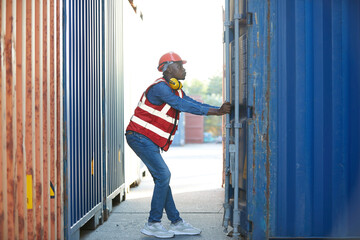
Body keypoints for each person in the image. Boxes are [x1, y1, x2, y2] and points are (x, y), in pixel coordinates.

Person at [125, 52, 231, 239]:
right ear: (167, 68)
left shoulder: (177, 91)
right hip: (139, 137)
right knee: (164, 175)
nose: (184, 69)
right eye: (180, 66)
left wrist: (218, 109)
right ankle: (153, 223)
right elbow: (182, 105)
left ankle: (176, 222)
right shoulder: (160, 88)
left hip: (147, 139)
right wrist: (218, 112)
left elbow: (191, 103)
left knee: (162, 178)